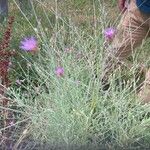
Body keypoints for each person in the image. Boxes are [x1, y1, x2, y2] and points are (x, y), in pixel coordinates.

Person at [102, 0, 150, 103]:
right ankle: (100, 89)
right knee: (113, 55)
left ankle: (136, 113)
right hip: (139, 11)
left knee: (144, 100)